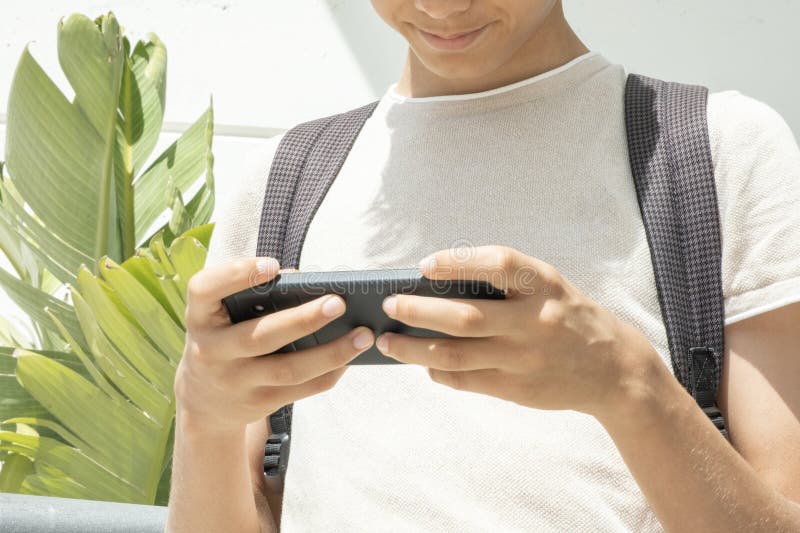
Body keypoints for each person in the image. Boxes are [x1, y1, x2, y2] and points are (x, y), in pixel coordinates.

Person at [164, 1, 800, 531]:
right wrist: (204, 415)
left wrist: (629, 388)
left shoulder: (715, 155)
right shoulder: (286, 178)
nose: (441, 6)